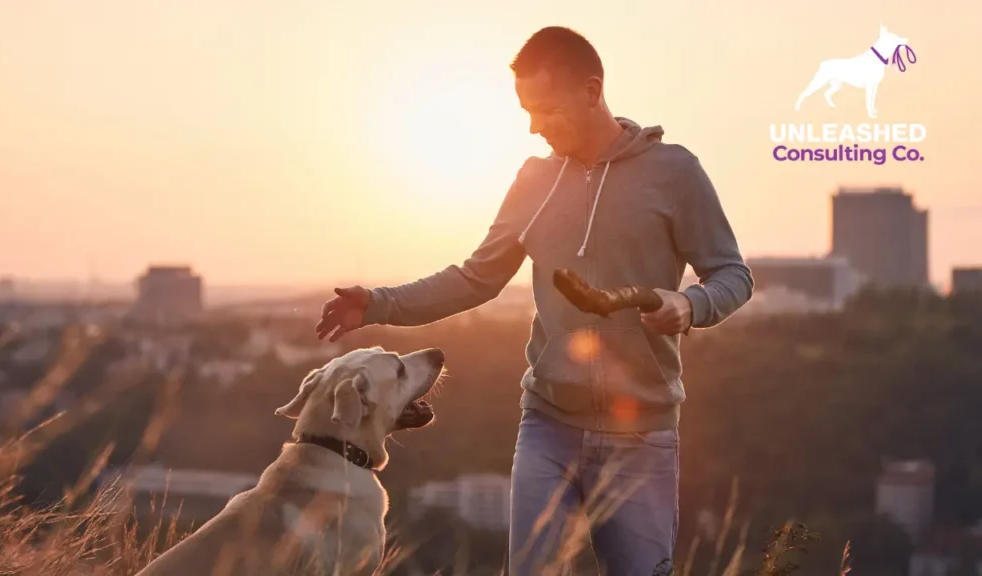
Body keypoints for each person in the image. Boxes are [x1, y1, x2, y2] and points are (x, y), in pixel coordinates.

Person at [315, 26, 753, 576]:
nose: (534, 127)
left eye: (546, 110)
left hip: (642, 435)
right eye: (526, 111)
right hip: (548, 426)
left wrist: (690, 305)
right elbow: (475, 279)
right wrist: (377, 303)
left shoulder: (675, 173)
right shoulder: (533, 180)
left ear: (592, 92)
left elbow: (733, 275)